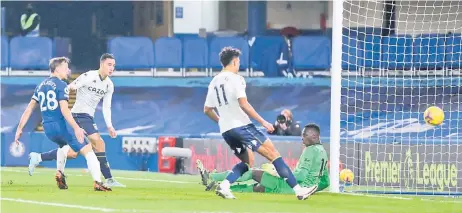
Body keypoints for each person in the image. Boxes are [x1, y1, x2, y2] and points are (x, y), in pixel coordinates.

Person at [203, 47, 317, 200]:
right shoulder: (236, 79)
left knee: (248, 161)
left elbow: (207, 109)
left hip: (226, 130)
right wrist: (263, 122)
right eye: (238, 62)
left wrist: (221, 121)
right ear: (235, 61)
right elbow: (244, 104)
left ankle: (224, 186)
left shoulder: (214, 82)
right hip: (242, 126)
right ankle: (299, 190)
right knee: (274, 154)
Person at [28, 53, 125, 187]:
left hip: (88, 117)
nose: (111, 68)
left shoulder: (109, 85)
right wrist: (69, 89)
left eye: (113, 65)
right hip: (78, 115)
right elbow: (70, 86)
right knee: (98, 142)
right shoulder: (89, 76)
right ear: (101, 64)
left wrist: (110, 126)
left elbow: (106, 107)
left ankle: (38, 157)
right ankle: (108, 179)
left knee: (73, 153)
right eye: (109, 64)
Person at [197, 123, 329, 195]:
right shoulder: (323, 152)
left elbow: (300, 176)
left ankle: (211, 177)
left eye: (304, 135)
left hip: (290, 187)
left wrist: (278, 173)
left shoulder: (310, 150)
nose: (302, 138)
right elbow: (325, 181)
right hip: (292, 190)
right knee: (258, 188)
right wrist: (313, 189)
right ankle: (217, 187)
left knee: (252, 172)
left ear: (313, 136)